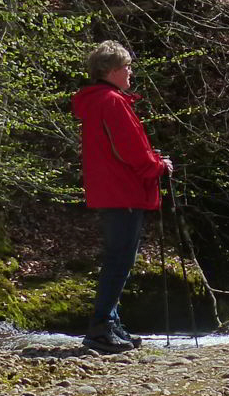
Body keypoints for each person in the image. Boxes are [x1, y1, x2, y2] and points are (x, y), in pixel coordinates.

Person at [71, 40, 172, 353]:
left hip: (110, 189)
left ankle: (111, 323)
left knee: (118, 257)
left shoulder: (98, 101)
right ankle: (101, 327)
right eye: (126, 67)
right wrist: (158, 165)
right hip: (122, 190)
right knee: (120, 259)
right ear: (111, 70)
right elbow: (129, 150)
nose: (130, 72)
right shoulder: (112, 102)